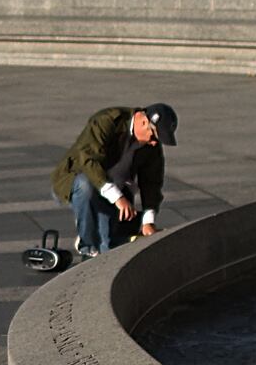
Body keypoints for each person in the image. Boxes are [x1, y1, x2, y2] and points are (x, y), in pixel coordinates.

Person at [50, 101, 177, 260]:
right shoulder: (107, 121)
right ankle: (87, 246)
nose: (153, 143)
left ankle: (102, 239)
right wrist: (118, 198)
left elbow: (152, 183)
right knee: (85, 185)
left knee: (108, 246)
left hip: (119, 189)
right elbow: (88, 161)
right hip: (80, 182)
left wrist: (148, 221)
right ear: (144, 122)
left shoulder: (151, 147)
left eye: (157, 140)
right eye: (153, 136)